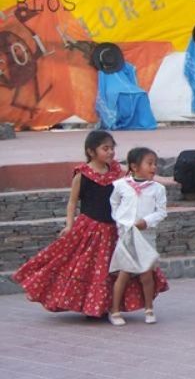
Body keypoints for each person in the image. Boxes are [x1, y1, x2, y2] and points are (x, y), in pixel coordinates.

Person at [13, 131, 166, 317]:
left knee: (116, 269)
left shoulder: (117, 172)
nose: (110, 152)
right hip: (90, 228)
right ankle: (90, 305)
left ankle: (110, 306)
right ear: (91, 152)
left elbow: (139, 181)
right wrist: (69, 225)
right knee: (90, 269)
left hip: (114, 229)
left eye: (112, 148)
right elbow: (72, 202)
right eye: (105, 148)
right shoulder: (82, 175)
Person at [108, 147, 169, 326]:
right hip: (127, 235)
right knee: (124, 273)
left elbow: (161, 212)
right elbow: (114, 203)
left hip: (146, 236)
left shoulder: (157, 189)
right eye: (149, 163)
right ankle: (115, 310)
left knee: (146, 274)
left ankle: (149, 308)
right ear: (134, 167)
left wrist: (146, 221)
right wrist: (121, 221)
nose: (153, 167)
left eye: (155, 164)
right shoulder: (120, 185)